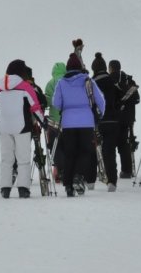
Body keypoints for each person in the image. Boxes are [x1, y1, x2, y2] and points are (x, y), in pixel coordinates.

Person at [0, 60, 45, 198]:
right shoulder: (25, 87)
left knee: (6, 159)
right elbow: (35, 106)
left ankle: (5, 188)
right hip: (21, 127)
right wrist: (43, 122)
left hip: (3, 127)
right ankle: (23, 188)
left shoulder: (2, 87)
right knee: (23, 159)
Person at [53, 53, 106, 196]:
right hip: (86, 122)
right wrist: (100, 114)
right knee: (85, 151)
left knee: (69, 153)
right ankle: (78, 176)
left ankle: (68, 186)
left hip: (68, 124)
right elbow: (100, 100)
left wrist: (66, 106)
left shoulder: (61, 83)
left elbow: (56, 103)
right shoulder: (88, 81)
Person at [91, 53, 121, 191]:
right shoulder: (112, 81)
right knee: (110, 151)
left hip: (98, 120)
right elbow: (120, 99)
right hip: (113, 120)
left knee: (93, 149)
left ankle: (90, 179)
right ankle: (112, 181)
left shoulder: (92, 82)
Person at [108, 59, 140, 178]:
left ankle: (110, 171)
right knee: (124, 143)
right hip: (128, 118)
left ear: (110, 68)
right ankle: (127, 170)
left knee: (110, 144)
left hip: (113, 117)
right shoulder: (129, 80)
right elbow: (137, 99)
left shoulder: (109, 80)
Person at [44, 62, 67, 182]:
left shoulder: (50, 83)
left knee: (56, 147)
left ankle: (60, 171)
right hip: (69, 121)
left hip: (54, 122)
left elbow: (47, 102)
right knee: (68, 146)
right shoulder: (69, 81)